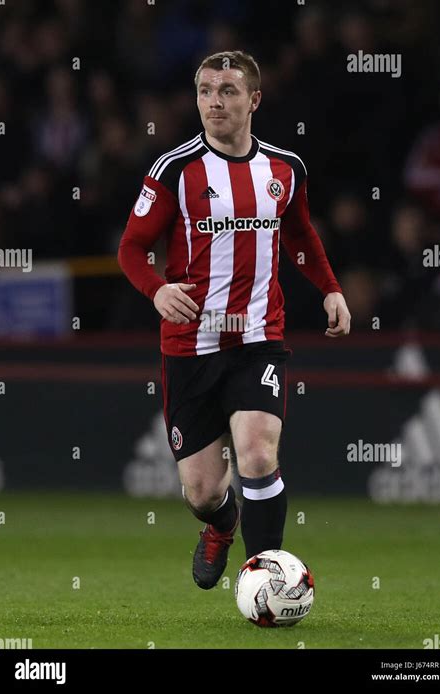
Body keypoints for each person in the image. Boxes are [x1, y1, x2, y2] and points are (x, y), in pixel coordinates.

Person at [118, 50, 351, 590]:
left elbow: (299, 234)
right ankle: (222, 524)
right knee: (201, 491)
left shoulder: (285, 169)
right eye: (204, 91)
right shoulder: (174, 168)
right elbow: (132, 247)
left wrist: (331, 289)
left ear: (254, 100)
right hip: (189, 345)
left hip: (257, 339)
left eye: (226, 91)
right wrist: (157, 290)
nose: (213, 102)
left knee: (256, 449)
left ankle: (267, 579)